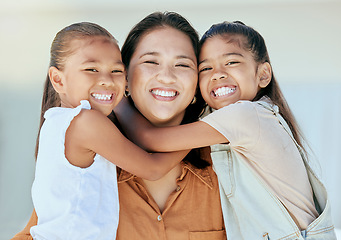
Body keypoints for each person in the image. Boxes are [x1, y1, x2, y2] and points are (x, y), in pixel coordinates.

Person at [11, 13, 227, 240]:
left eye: (182, 64)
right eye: (150, 62)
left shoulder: (228, 164)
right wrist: (210, 130)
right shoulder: (91, 159)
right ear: (128, 79)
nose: (166, 76)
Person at [115, 21, 337, 239]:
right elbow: (155, 161)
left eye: (231, 62)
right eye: (206, 67)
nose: (217, 74)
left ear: (263, 74)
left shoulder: (245, 117)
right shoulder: (230, 131)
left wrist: (116, 100)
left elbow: (150, 140)